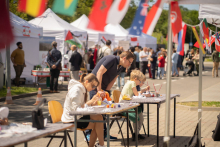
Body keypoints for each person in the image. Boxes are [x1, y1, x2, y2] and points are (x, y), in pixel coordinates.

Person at [85, 51, 135, 141]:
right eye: (129, 62)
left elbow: (113, 79)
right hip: (95, 87)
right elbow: (99, 73)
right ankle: (88, 134)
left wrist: (107, 91)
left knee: (104, 111)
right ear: (124, 58)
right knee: (93, 111)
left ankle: (104, 134)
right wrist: (99, 90)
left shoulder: (121, 67)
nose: (129, 64)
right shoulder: (111, 59)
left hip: (103, 89)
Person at [61, 73, 106, 147]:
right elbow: (77, 110)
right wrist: (90, 103)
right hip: (71, 119)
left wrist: (91, 104)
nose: (93, 88)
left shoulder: (82, 89)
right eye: (93, 86)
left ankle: (100, 145)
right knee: (98, 121)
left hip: (75, 117)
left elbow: (81, 106)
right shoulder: (77, 90)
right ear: (87, 82)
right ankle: (101, 145)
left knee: (99, 119)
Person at [119, 70, 150, 141]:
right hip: (124, 106)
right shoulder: (132, 83)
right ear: (135, 79)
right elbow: (137, 94)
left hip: (129, 104)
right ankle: (136, 134)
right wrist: (145, 94)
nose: (140, 83)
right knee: (137, 118)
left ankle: (136, 133)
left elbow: (137, 93)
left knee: (140, 116)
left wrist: (144, 90)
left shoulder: (131, 82)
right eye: (140, 81)